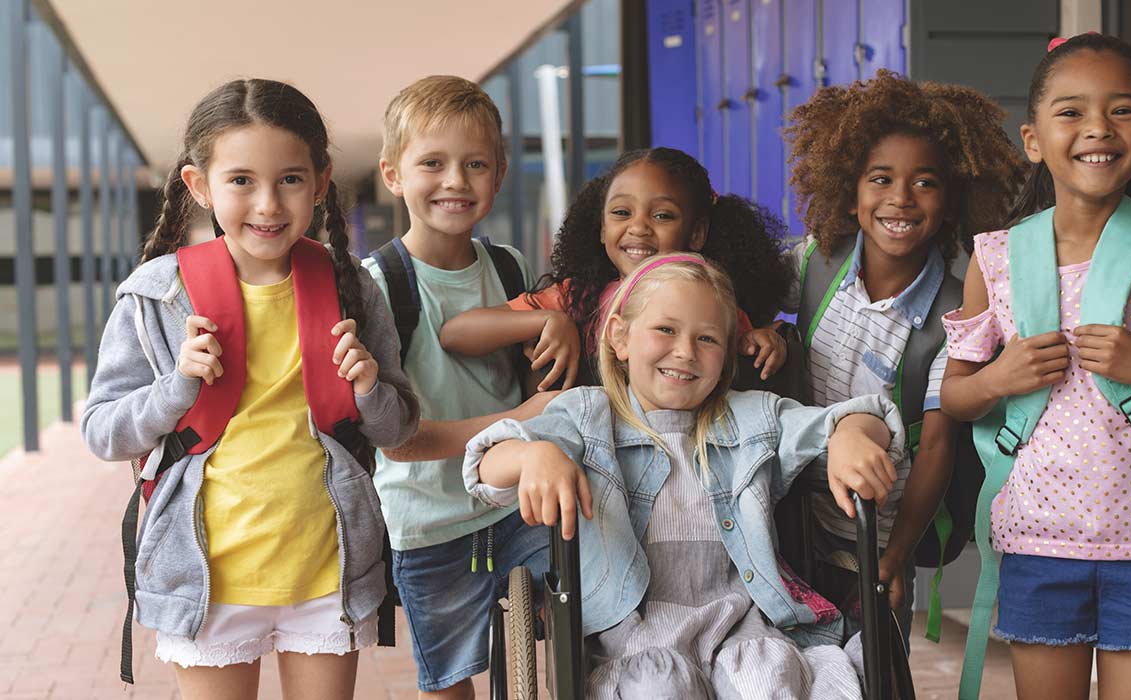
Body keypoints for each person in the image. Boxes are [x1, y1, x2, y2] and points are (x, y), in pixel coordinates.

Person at [80, 78, 420, 699]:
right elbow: (102, 431)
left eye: (290, 179)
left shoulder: (351, 287)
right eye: (241, 181)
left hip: (328, 572)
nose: (267, 204)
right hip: (205, 579)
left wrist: (369, 384)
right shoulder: (157, 294)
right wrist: (175, 387)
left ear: (320, 182)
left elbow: (399, 430)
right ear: (198, 186)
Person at [463, 253, 908, 697]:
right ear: (619, 336)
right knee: (659, 688)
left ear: (726, 354)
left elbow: (864, 416)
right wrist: (534, 455)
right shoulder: (586, 416)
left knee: (766, 680)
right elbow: (486, 461)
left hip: (742, 628)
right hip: (634, 639)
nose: (685, 352)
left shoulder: (752, 418)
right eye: (666, 330)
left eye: (708, 338)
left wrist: (851, 433)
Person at [940, 33, 1131, 700]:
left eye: (1121, 110)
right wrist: (999, 379)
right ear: (1032, 138)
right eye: (1071, 112)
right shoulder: (995, 259)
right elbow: (956, 398)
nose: (1097, 129)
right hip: (1037, 540)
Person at [780, 69, 1026, 642]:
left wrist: (896, 553)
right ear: (851, 189)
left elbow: (938, 445)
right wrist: (760, 328)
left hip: (876, 525)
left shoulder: (954, 311)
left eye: (925, 183)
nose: (900, 199)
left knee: (875, 666)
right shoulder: (817, 259)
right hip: (789, 510)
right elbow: (729, 299)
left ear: (953, 199)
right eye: (881, 179)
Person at [364, 75, 553, 700]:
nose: (455, 181)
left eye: (475, 164)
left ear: (498, 174)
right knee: (449, 680)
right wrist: (521, 418)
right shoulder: (378, 284)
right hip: (429, 517)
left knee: (574, 630)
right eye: (433, 163)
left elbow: (535, 376)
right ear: (393, 174)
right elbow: (399, 443)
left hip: (516, 500)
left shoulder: (511, 267)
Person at [439, 147, 794, 389]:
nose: (638, 227)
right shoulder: (576, 298)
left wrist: (760, 341)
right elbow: (456, 333)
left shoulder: (715, 306)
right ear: (602, 228)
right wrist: (548, 320)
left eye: (662, 215)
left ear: (697, 233)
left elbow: (744, 352)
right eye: (622, 213)